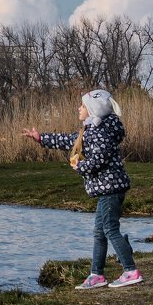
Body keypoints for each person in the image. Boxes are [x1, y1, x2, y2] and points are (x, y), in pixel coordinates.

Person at [22, 89, 142, 289]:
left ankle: (131, 271)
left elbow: (100, 159)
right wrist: (40, 138)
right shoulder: (90, 130)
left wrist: (80, 167)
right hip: (107, 189)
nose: (79, 108)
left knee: (110, 229)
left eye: (83, 106)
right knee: (99, 232)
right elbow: (68, 140)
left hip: (110, 189)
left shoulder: (101, 131)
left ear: (93, 109)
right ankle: (97, 275)